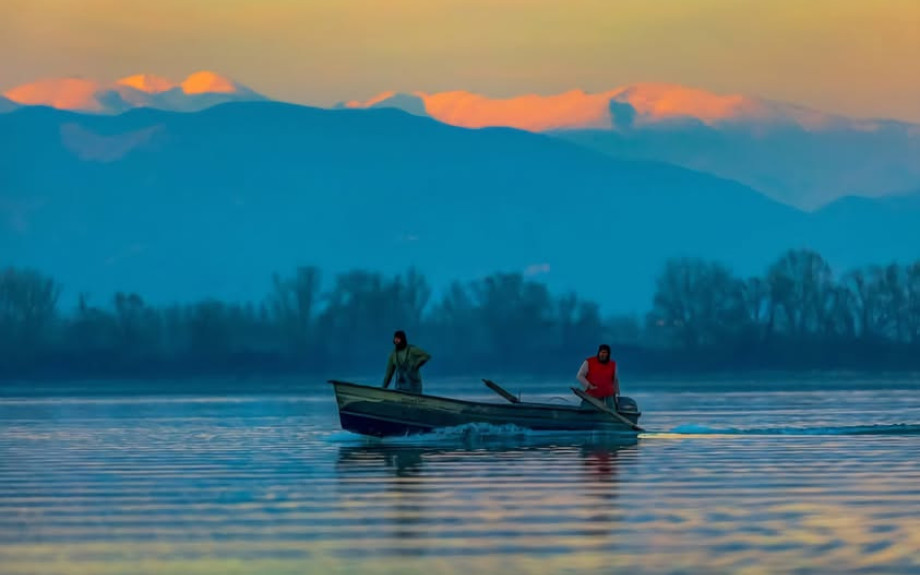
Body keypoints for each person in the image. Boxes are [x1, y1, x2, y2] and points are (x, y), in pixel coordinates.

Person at [576, 344, 620, 409]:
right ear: (598, 352)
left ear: (608, 354)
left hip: (608, 397)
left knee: (610, 412)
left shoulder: (612, 364)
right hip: (591, 396)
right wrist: (589, 385)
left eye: (605, 353)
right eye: (601, 352)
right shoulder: (589, 362)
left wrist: (616, 395)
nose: (602, 354)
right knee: (586, 412)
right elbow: (580, 376)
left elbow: (615, 380)